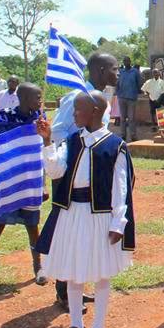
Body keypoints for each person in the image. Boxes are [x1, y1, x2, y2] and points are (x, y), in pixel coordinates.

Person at [35, 91, 134, 328]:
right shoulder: (72, 140)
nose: (74, 114)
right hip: (72, 214)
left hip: (99, 216)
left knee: (101, 274)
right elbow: (56, 171)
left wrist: (118, 222)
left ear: (94, 111)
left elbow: (121, 187)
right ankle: (76, 326)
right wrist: (46, 143)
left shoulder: (114, 146)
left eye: (78, 110)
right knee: (73, 271)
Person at [50, 51, 119, 310]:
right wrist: (76, 151)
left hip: (94, 175)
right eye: (114, 68)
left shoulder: (103, 99)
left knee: (87, 231)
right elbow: (57, 130)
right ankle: (64, 290)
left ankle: (75, 286)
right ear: (100, 70)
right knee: (68, 231)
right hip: (70, 175)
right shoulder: (77, 98)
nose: (118, 73)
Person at [0, 83, 47, 293]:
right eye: (36, 97)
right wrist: (28, 130)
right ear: (22, 98)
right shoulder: (5, 115)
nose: (39, 101)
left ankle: (38, 267)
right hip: (8, 179)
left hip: (30, 179)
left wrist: (43, 184)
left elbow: (43, 149)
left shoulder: (40, 117)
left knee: (32, 225)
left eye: (40, 98)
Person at [116, 57, 143, 143]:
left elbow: (139, 83)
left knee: (131, 118)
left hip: (132, 98)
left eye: (127, 61)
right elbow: (117, 83)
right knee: (122, 118)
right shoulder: (121, 72)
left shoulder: (135, 71)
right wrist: (117, 93)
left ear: (130, 62)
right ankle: (123, 135)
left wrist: (137, 91)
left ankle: (133, 135)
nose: (126, 62)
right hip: (121, 97)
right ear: (123, 62)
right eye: (124, 61)